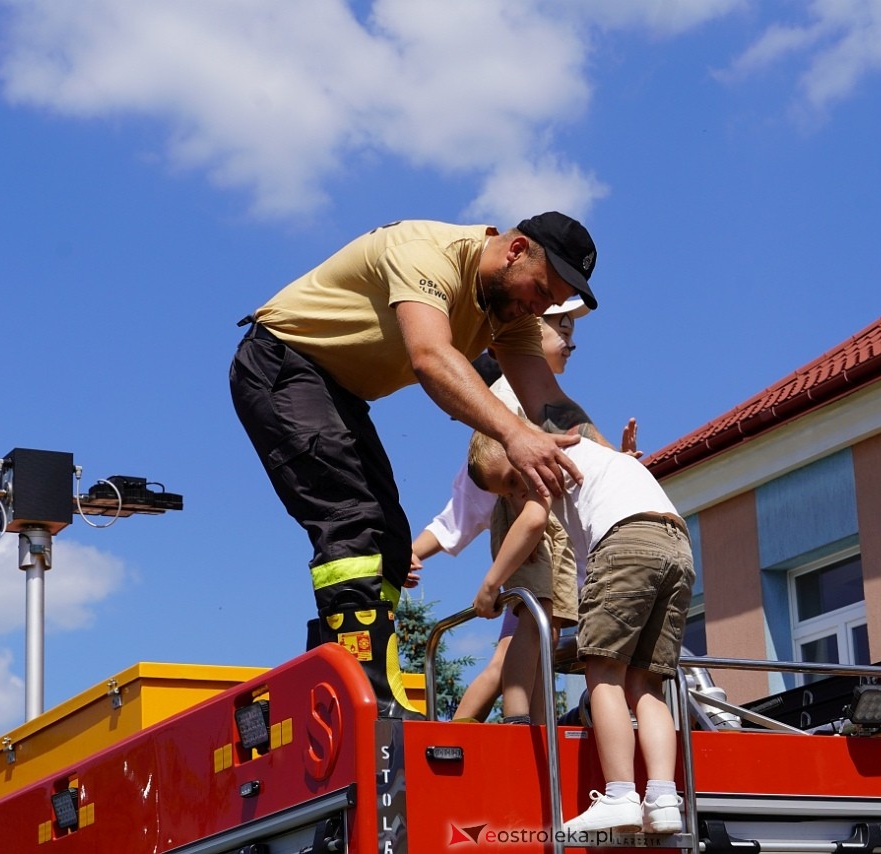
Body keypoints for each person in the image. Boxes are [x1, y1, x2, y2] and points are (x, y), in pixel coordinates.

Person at [229, 212, 604, 719]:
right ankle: (364, 700)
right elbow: (430, 356)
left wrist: (615, 466)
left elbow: (549, 402)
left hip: (337, 391)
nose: (539, 308)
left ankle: (369, 686)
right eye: (540, 290)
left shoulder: (509, 316)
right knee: (353, 525)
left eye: (551, 303)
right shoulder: (429, 252)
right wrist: (515, 434)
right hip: (281, 361)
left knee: (390, 538)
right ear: (515, 250)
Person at [467, 425, 693, 835]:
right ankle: (662, 799)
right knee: (648, 684)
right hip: (677, 542)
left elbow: (534, 519)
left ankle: (620, 794)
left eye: (515, 480)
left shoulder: (538, 453)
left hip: (625, 543)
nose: (520, 493)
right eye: (508, 493)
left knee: (604, 674)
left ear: (517, 444)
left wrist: (490, 584)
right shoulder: (585, 449)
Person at [411, 299, 589, 723]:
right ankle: (470, 731)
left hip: (549, 550)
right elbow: (461, 513)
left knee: (538, 642)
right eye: (558, 327)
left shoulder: (544, 403)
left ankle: (534, 727)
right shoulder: (505, 413)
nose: (569, 340)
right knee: (516, 647)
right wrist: (412, 550)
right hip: (532, 548)